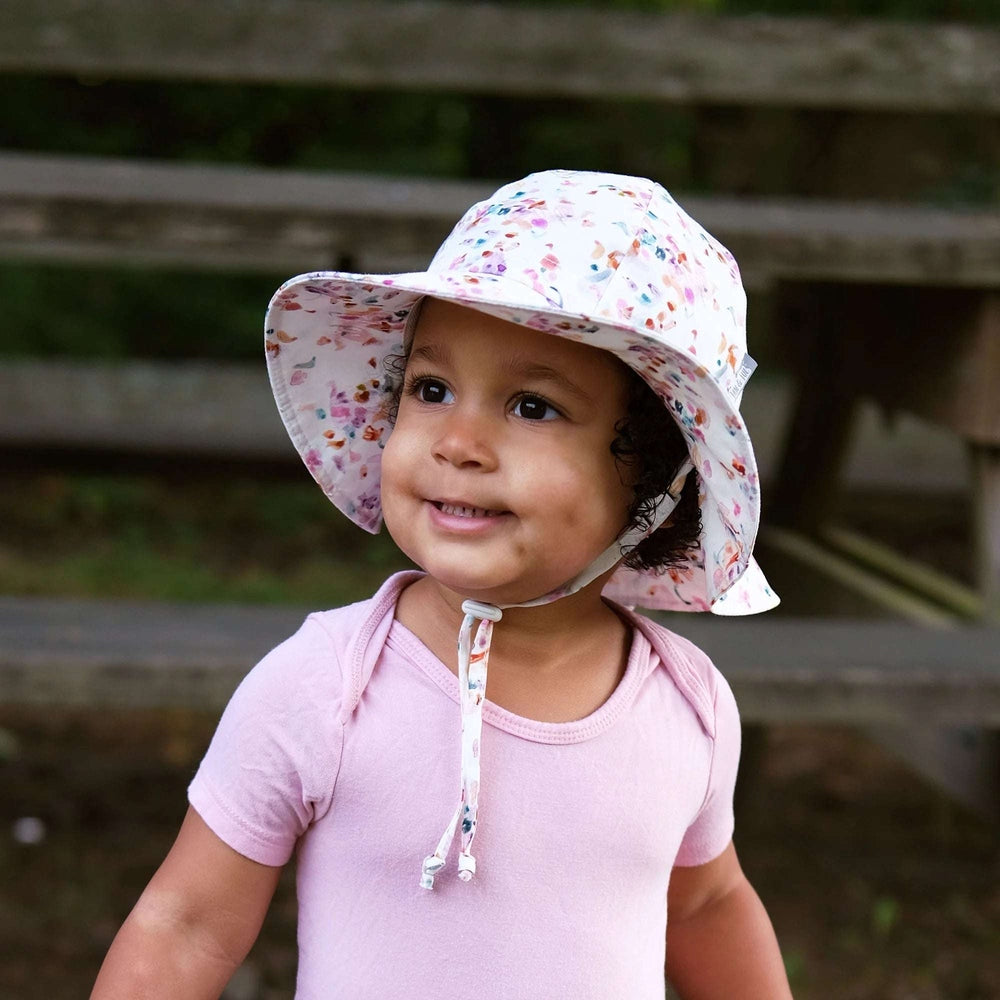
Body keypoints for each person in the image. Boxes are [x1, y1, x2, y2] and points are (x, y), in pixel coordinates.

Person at [91, 169, 791, 999]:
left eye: (532, 406)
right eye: (431, 389)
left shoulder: (687, 706)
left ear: (660, 477)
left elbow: (707, 903)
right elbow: (185, 927)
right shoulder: (328, 685)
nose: (458, 440)